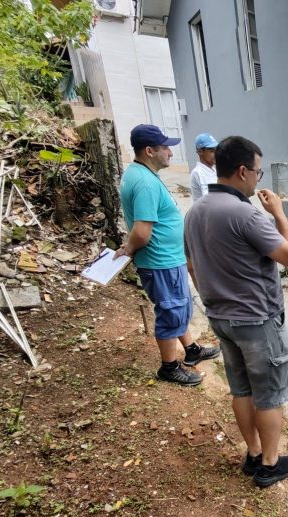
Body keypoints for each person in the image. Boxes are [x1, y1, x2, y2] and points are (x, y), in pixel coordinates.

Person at [184, 135, 288, 488]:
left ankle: (252, 453)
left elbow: (191, 267)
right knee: (269, 393)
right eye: (258, 172)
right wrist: (279, 213)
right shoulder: (246, 214)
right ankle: (269, 462)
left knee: (241, 389)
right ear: (241, 171)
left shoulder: (194, 212)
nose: (257, 179)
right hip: (257, 321)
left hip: (220, 317)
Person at [116, 124, 219, 386]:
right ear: (150, 151)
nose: (171, 152)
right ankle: (169, 367)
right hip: (160, 261)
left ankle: (192, 349)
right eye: (165, 148)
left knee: (179, 306)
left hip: (167, 258)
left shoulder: (140, 174)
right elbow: (141, 232)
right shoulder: (144, 183)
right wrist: (129, 248)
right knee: (171, 311)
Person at [189, 133, 218, 203]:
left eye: (216, 150)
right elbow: (211, 199)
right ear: (200, 151)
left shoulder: (212, 170)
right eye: (212, 151)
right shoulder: (199, 172)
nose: (216, 154)